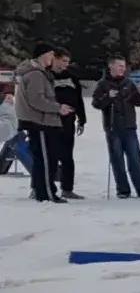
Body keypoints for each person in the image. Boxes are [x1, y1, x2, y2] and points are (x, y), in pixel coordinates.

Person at [14, 42, 70, 203]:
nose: (53, 58)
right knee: (47, 160)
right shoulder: (36, 75)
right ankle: (47, 193)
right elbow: (37, 100)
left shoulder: (38, 73)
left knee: (43, 159)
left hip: (41, 122)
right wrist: (58, 108)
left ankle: (41, 191)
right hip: (40, 123)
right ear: (44, 55)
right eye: (51, 54)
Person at [92, 55, 140, 198]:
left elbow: (137, 102)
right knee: (117, 160)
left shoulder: (129, 83)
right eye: (119, 66)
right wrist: (108, 96)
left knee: (135, 159)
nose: (122, 69)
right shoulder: (102, 84)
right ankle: (123, 190)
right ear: (111, 66)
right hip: (113, 128)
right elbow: (96, 103)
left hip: (129, 127)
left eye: (123, 66)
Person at [51, 48, 86, 199]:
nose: (66, 64)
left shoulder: (73, 78)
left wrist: (82, 118)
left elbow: (79, 99)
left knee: (67, 156)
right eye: (63, 61)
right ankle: (42, 186)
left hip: (68, 121)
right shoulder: (47, 76)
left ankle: (67, 188)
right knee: (50, 156)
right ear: (55, 59)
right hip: (51, 120)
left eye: (67, 62)